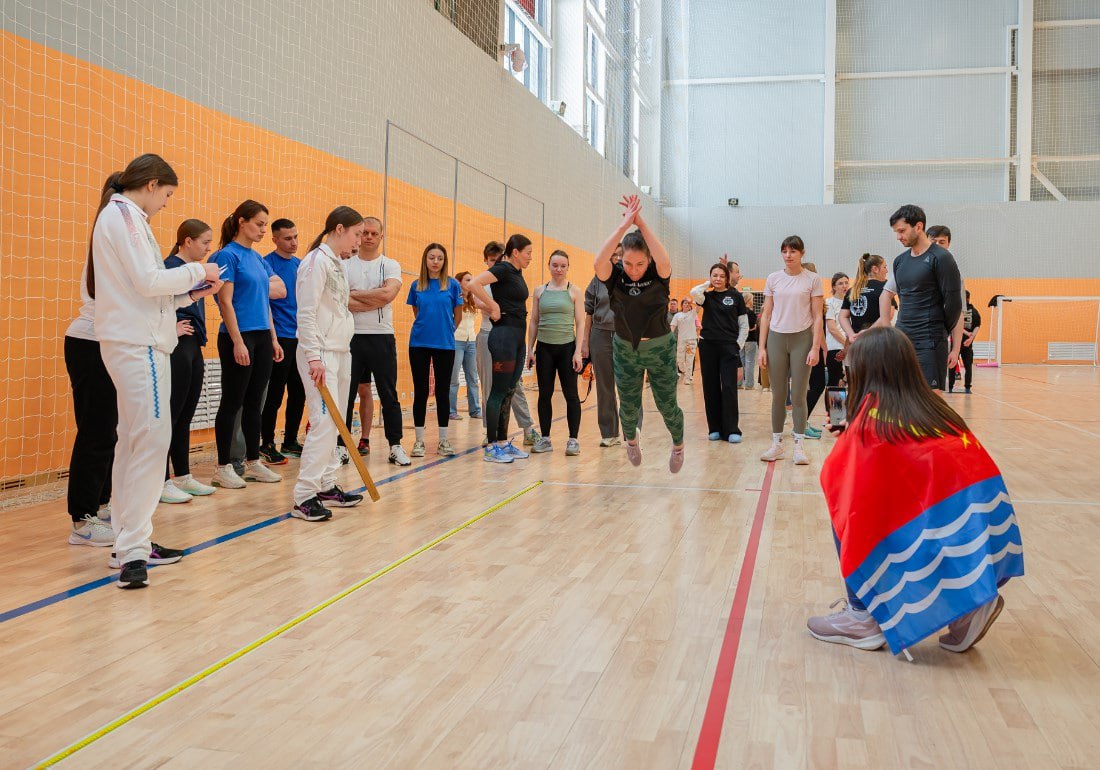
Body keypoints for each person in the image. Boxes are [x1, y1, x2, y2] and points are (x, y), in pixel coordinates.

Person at [807, 326, 1023, 654]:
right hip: (978, 528)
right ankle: (969, 603)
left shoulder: (871, 425)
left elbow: (838, 482)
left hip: (936, 526)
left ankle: (862, 616)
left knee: (845, 504)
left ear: (866, 370)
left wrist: (850, 442)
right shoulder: (933, 410)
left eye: (851, 369)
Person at [86, 153, 222, 587]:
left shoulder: (125, 219)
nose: (166, 203)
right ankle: (132, 550)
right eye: (167, 194)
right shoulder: (124, 218)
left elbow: (144, 291)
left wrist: (191, 293)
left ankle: (130, 540)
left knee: (134, 441)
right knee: (151, 440)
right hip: (137, 344)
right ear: (152, 184)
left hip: (138, 338)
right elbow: (148, 281)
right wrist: (198, 270)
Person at [594, 195, 685, 472]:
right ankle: (631, 441)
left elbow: (663, 256)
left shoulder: (660, 273)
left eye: (640, 264)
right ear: (621, 259)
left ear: (649, 261)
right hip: (625, 348)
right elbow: (599, 261)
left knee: (667, 405)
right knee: (629, 406)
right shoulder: (615, 276)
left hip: (659, 348)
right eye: (628, 263)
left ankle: (678, 445)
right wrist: (623, 227)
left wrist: (640, 222)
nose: (633, 271)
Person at [291, 207, 366, 521]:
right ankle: (303, 496)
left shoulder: (337, 264)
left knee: (337, 421)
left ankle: (325, 485)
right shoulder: (315, 262)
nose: (359, 242)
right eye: (357, 234)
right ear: (339, 229)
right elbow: (306, 313)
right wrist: (313, 357)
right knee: (322, 422)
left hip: (340, 351)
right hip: (319, 355)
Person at [209, 200, 287, 488]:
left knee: (256, 403)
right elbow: (225, 303)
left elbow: (267, 299)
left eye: (266, 224)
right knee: (232, 402)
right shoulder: (227, 256)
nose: (263, 229)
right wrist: (238, 342)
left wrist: (274, 338)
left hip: (262, 336)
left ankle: (254, 461)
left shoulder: (257, 258)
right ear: (242, 222)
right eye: (259, 223)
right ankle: (222, 466)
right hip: (237, 336)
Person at [342, 217, 409, 466]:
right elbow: (342, 300)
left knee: (388, 394)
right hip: (351, 337)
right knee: (346, 395)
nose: (368, 237)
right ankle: (342, 446)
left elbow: (388, 294)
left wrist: (356, 295)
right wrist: (375, 297)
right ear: (359, 236)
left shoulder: (390, 264)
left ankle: (395, 446)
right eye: (365, 233)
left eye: (373, 233)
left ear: (381, 236)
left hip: (381, 336)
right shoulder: (346, 264)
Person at [161, 219, 218, 504]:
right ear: (187, 241)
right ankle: (161, 480)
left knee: (185, 414)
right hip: (177, 345)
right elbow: (159, 303)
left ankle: (183, 475)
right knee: (169, 416)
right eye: (205, 242)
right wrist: (173, 326)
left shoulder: (195, 270)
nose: (208, 248)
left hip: (194, 343)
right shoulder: (170, 266)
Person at [877, 205, 963, 390]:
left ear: (918, 226)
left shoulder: (941, 258)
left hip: (930, 342)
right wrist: (888, 328)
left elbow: (954, 304)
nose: (898, 236)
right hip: (903, 340)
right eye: (896, 232)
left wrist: (940, 331)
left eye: (902, 231)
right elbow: (891, 295)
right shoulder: (900, 261)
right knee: (902, 396)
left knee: (931, 400)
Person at [469, 235, 536, 464]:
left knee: (509, 390)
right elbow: (473, 284)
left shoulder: (516, 273)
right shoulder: (504, 268)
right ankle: (491, 446)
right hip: (503, 336)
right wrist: (493, 306)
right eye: (528, 252)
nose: (530, 257)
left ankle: (502, 442)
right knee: (498, 391)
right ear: (515, 252)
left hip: (517, 338)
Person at [757, 236, 824, 465]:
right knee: (777, 395)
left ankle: (799, 445)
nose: (788, 255)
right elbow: (766, 314)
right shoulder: (773, 279)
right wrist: (762, 347)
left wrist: (815, 347)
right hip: (776, 338)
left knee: (797, 395)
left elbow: (817, 316)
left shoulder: (813, 279)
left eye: (793, 251)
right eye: (784, 251)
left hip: (802, 339)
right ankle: (776, 444)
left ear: (801, 253)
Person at [64, 266, 117, 546]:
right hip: (90, 343)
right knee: (95, 431)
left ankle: (101, 504)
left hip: (110, 343)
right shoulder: (107, 247)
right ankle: (82, 520)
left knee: (109, 431)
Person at [406, 243, 463, 458]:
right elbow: (417, 311)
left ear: (444, 261)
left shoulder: (452, 285)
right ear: (425, 260)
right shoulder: (416, 285)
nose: (435, 261)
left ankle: (443, 440)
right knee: (420, 391)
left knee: (442, 391)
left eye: (439, 258)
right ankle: (419, 441)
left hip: (445, 345)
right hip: (419, 344)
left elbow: (457, 316)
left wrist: (445, 331)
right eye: (432, 257)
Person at [526, 250, 585, 455]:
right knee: (545, 394)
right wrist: (529, 350)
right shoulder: (539, 291)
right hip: (544, 349)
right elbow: (533, 321)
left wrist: (578, 352)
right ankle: (545, 438)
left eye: (563, 266)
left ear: (568, 267)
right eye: (555, 265)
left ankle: (573, 440)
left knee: (571, 395)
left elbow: (580, 323)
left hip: (567, 348)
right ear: (549, 266)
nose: (558, 269)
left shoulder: (574, 291)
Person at [259, 218, 306, 464]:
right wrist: (273, 339)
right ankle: (266, 443)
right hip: (279, 339)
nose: (293, 242)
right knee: (275, 394)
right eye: (287, 238)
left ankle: (290, 440)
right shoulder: (267, 264)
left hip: (300, 338)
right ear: (275, 239)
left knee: (298, 393)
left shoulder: (302, 265)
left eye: (296, 237)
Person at [580, 241, 634, 447]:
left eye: (621, 254)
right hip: (600, 334)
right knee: (604, 386)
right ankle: (609, 433)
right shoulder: (597, 280)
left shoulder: (632, 279)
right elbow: (589, 312)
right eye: (614, 254)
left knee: (629, 384)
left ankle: (632, 433)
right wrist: (585, 342)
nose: (618, 258)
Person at [690, 262, 749, 443]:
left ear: (727, 278)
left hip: (728, 348)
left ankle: (732, 430)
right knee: (710, 387)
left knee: (729, 387)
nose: (718, 279)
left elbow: (744, 325)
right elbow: (694, 293)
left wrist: (737, 346)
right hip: (708, 347)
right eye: (714, 275)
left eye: (721, 276)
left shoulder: (736, 296)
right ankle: (714, 428)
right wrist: (707, 284)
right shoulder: (706, 296)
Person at [805, 272, 850, 437]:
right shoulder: (829, 303)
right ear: (833, 286)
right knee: (832, 386)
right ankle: (835, 422)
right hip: (833, 349)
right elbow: (832, 328)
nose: (844, 286)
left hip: (847, 349)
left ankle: (836, 422)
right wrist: (848, 343)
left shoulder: (850, 302)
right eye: (840, 283)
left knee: (837, 386)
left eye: (846, 283)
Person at [449, 271, 481, 422]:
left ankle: (475, 410)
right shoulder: (454, 297)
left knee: (473, 378)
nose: (471, 282)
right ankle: (451, 411)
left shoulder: (473, 299)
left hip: (471, 342)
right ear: (459, 282)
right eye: (467, 279)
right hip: (456, 341)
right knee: (454, 379)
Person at [839, 253, 892, 343]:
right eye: (884, 267)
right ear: (875, 269)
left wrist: (851, 335)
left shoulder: (852, 290)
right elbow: (887, 316)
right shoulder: (885, 289)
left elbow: (842, 317)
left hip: (858, 342)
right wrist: (867, 333)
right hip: (878, 340)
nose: (887, 271)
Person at [950, 290, 981, 394]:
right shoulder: (975, 311)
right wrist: (971, 337)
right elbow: (977, 325)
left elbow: (954, 324)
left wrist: (968, 335)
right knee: (968, 366)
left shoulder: (957, 310)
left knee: (952, 364)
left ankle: (950, 386)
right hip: (968, 343)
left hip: (956, 344)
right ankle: (967, 388)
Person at [671, 298, 698, 384]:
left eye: (687, 303)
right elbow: (672, 326)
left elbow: (699, 306)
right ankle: (686, 372)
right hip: (681, 340)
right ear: (681, 305)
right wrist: (670, 336)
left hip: (691, 341)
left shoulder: (693, 313)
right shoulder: (677, 315)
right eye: (684, 303)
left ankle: (688, 378)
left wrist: (691, 301)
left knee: (690, 360)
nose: (686, 304)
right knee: (680, 360)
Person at [739, 291, 758, 389]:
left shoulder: (738, 312)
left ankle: (738, 384)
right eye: (752, 299)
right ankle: (749, 385)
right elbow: (753, 327)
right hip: (750, 339)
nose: (753, 301)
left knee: (740, 362)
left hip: (740, 340)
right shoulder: (751, 313)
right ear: (748, 300)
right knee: (750, 362)